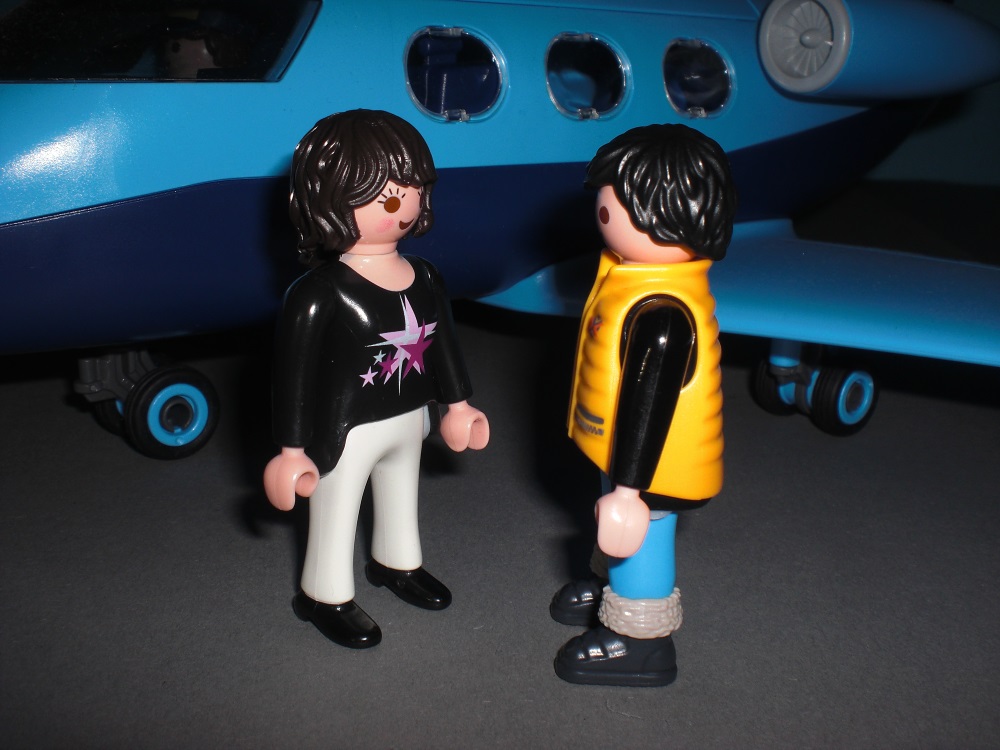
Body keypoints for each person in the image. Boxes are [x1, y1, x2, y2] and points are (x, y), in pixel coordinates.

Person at [264, 110, 489, 649]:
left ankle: (397, 563)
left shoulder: (425, 276)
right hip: (346, 430)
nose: (405, 207)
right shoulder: (318, 292)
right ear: (328, 202)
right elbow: (292, 375)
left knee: (401, 496)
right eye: (387, 198)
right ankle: (324, 593)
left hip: (411, 417)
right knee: (337, 509)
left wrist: (459, 405)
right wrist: (290, 450)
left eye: (413, 191)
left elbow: (442, 343)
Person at [551, 123, 737, 686]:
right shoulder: (630, 281)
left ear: (665, 216)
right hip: (622, 452)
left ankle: (640, 639)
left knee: (644, 535)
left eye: (613, 205)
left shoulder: (662, 315)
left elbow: (649, 404)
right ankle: (612, 583)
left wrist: (631, 491)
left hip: (655, 467)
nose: (600, 213)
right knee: (614, 524)